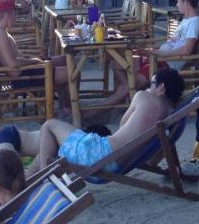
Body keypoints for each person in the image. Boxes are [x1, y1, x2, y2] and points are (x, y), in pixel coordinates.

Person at [34, 67, 185, 170]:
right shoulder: (171, 113)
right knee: (55, 140)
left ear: (161, 88)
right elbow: (153, 158)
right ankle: (30, 180)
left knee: (49, 126)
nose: (148, 87)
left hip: (99, 155)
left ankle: (43, 182)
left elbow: (122, 124)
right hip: (117, 163)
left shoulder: (143, 97)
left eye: (151, 84)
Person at [100, 0, 199, 106]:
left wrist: (160, 53)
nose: (176, 5)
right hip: (158, 57)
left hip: (165, 63)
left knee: (129, 80)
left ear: (186, 3)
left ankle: (119, 96)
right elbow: (172, 42)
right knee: (116, 64)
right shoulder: (187, 20)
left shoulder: (195, 22)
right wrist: (152, 50)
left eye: (178, 1)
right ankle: (130, 91)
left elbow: (187, 50)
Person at [0, 0, 72, 114]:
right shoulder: (0, 34)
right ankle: (70, 107)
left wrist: (34, 60)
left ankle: (65, 105)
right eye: (15, 14)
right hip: (22, 77)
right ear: (8, 15)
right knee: (72, 72)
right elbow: (13, 64)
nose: (16, 17)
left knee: (65, 59)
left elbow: (13, 60)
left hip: (25, 71)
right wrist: (34, 61)